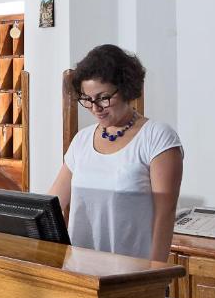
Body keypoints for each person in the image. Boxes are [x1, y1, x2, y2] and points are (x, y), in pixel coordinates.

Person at [49, 45, 183, 261]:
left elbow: (164, 216)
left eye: (103, 98)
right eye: (87, 99)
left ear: (126, 88)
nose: (95, 108)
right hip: (80, 272)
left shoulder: (157, 137)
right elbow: (51, 204)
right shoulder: (82, 140)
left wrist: (156, 276)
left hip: (131, 274)